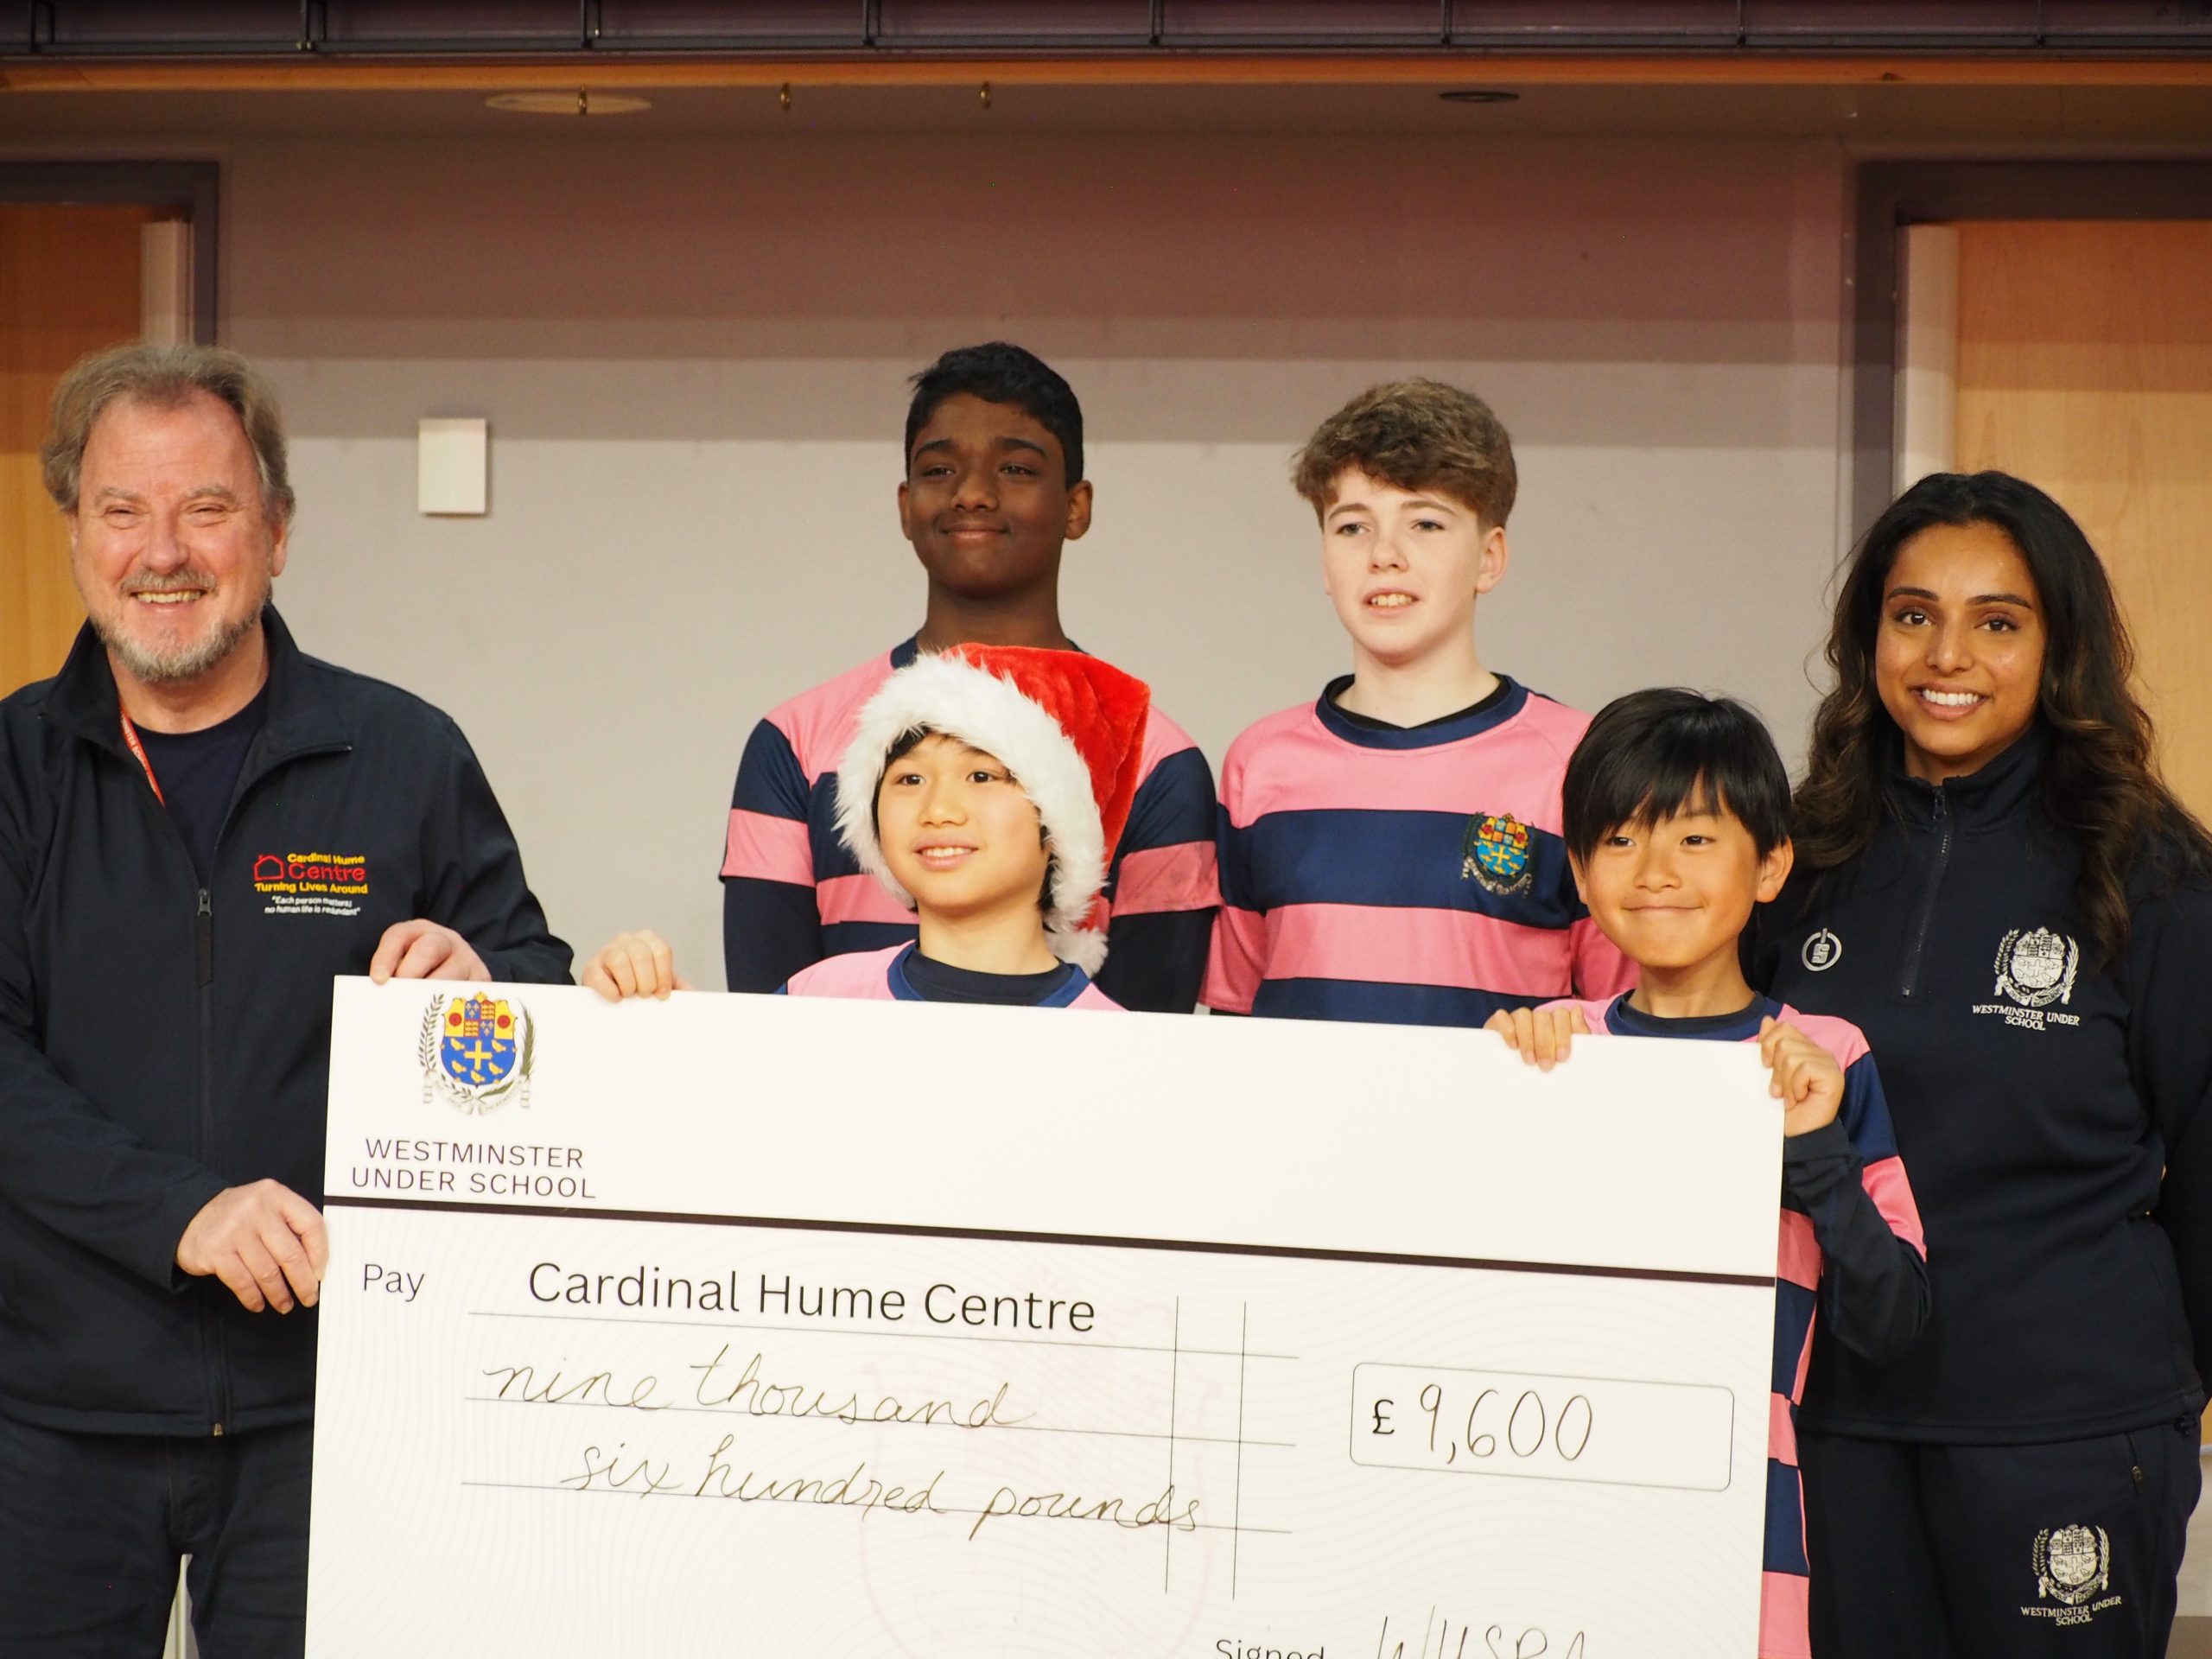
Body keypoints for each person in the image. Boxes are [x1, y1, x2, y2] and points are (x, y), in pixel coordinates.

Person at [0, 342, 571, 1653]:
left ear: (277, 530)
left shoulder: (403, 754)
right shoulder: (13, 770)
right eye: (122, 510)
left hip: (339, 1412)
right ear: (77, 533)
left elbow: (539, 997)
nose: (163, 552)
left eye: (206, 507)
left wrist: (485, 991)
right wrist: (179, 1212)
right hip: (49, 1418)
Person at [1748, 472, 2212, 1658]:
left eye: (1996, 622)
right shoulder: (1796, 861)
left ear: (2058, 647)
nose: (1946, 656)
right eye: (1913, 615)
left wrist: (2166, 1394)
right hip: (1835, 1424)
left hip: (2068, 1430)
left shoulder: (2152, 874)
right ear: (1869, 636)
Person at [1487, 687, 1928, 1659]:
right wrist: (1499, 1088)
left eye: (1694, 838)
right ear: (1579, 872)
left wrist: (1814, 1144)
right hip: (1545, 1505)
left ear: (1770, 865)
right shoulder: (1548, 1050)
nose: (1655, 873)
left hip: (1743, 1520)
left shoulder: (1824, 1058)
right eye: (1618, 841)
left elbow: (1892, 1321)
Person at [717, 342, 1217, 1010]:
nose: (973, 494)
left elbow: (1148, 1032)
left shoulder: (1153, 755)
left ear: (1076, 507)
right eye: (939, 469)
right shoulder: (794, 742)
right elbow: (764, 1023)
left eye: (1016, 468)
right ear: (905, 506)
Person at [1204, 378, 1634, 1025]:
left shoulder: (1579, 760)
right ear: (1324, 561)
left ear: (1490, 559)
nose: (1384, 555)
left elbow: (1623, 1021)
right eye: (1352, 527)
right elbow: (1237, 1021)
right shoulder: (1260, 764)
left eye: (1425, 524)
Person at [596, 645, 1143, 1008]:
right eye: (909, 779)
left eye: (980, 776)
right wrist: (646, 1007)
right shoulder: (817, 999)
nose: (938, 810)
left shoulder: (1121, 1044)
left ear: (1058, 824)